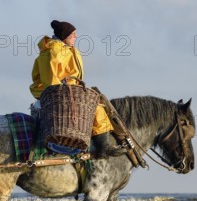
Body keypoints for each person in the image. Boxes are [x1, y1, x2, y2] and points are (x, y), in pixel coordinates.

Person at [29, 20, 125, 158]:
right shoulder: (52, 52)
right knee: (95, 108)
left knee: (98, 104)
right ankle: (103, 148)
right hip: (57, 93)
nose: (76, 37)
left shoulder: (69, 50)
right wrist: (67, 95)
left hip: (71, 91)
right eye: (73, 34)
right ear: (65, 36)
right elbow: (51, 81)